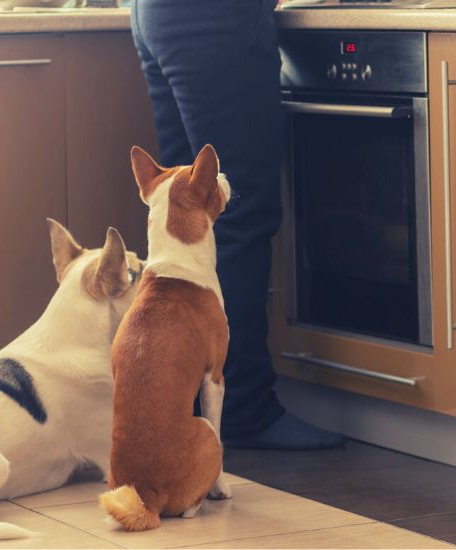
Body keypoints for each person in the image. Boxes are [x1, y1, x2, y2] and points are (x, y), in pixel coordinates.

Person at [130, 0, 344, 450]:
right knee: (240, 211)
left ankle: (186, 406)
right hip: (214, 19)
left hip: (158, 15)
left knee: (185, 211)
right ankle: (245, 409)